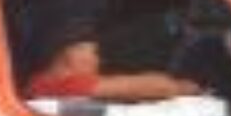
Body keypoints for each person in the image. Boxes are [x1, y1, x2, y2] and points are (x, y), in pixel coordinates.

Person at [24, 14, 202, 102]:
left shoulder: (47, 84)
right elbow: (151, 87)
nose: (99, 61)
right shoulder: (54, 85)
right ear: (70, 55)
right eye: (94, 53)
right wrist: (178, 87)